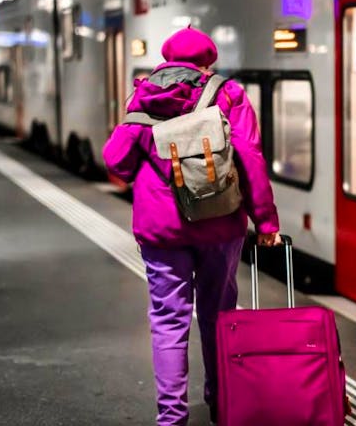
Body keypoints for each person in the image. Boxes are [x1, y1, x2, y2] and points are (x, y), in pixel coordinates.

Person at [102, 27, 281, 426]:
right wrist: (265, 220)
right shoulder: (229, 94)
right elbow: (249, 156)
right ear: (208, 60)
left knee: (168, 321)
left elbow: (116, 160)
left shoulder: (146, 94)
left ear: (166, 59)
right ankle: (221, 402)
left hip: (161, 229)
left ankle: (171, 417)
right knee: (219, 314)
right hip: (219, 223)